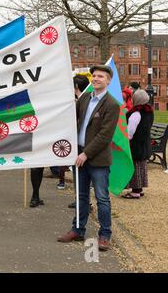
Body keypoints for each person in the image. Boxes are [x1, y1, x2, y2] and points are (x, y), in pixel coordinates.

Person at [57, 65, 119, 252]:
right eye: (94, 76)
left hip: (97, 160)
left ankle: (104, 235)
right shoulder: (85, 98)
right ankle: (78, 229)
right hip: (79, 154)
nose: (96, 79)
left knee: (102, 198)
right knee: (81, 196)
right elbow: (70, 117)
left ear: (108, 81)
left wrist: (86, 154)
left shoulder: (112, 104)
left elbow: (104, 135)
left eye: (101, 76)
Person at [122, 89, 154, 199]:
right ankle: (139, 189)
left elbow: (130, 131)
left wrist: (125, 140)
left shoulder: (136, 113)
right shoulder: (149, 111)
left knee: (135, 167)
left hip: (136, 145)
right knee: (141, 167)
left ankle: (135, 191)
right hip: (144, 143)